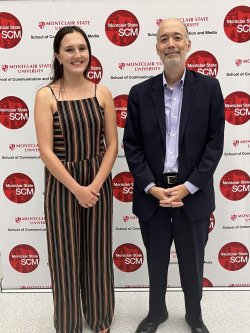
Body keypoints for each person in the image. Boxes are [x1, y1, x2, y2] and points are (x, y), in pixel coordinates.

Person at [123, 18, 225, 333]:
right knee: (155, 260)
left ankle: (194, 315)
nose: (171, 44)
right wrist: (152, 187)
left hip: (191, 196)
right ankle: (157, 313)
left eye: (177, 37)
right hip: (152, 195)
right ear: (156, 48)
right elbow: (132, 145)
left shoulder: (209, 88)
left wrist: (189, 187)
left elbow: (214, 143)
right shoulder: (140, 93)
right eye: (164, 38)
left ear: (188, 44)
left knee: (193, 263)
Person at [34, 26, 118, 333]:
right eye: (69, 49)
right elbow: (46, 151)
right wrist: (77, 189)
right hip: (62, 186)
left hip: (98, 184)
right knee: (65, 257)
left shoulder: (102, 92)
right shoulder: (46, 95)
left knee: (97, 253)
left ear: (89, 53)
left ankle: (99, 319)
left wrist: (93, 187)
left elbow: (111, 146)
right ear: (58, 55)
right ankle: (68, 324)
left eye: (81, 48)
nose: (77, 55)